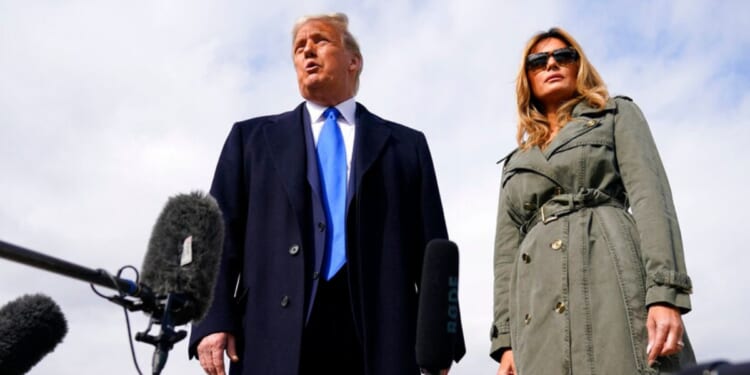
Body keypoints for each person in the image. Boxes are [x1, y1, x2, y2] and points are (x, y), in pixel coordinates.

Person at [189, 13, 464, 375]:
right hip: (272, 337)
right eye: (299, 47)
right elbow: (215, 236)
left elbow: (433, 251)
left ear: (354, 61)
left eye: (320, 41)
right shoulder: (250, 140)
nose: (306, 51)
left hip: (380, 341)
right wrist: (211, 320)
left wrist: (439, 342)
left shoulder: (406, 146)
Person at [490, 27, 696, 374]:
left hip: (609, 278)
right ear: (527, 78)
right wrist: (506, 341)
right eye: (538, 61)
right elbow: (505, 257)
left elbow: (651, 200)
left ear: (578, 65)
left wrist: (665, 295)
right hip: (536, 311)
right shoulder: (515, 161)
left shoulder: (616, 115)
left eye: (563, 55)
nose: (552, 63)